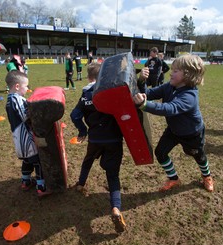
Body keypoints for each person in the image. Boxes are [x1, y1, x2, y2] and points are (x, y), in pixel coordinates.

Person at [133, 54, 214, 192]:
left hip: (192, 133)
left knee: (198, 156)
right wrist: (141, 80)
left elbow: (169, 109)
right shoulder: (169, 86)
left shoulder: (190, 96)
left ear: (188, 75)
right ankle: (174, 178)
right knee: (160, 153)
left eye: (176, 71)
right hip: (173, 130)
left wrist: (144, 105)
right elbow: (148, 93)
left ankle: (207, 176)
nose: (171, 72)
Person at [70, 62, 127, 233]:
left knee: (88, 160)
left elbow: (74, 115)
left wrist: (82, 130)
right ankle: (116, 209)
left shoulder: (86, 94)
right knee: (113, 176)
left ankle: (80, 184)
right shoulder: (113, 90)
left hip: (95, 139)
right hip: (114, 140)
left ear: (89, 77)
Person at [5, 70, 51, 198]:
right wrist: (38, 111)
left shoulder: (10, 100)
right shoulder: (16, 99)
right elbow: (26, 116)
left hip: (19, 138)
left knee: (27, 161)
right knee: (38, 162)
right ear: (17, 86)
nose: (27, 89)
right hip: (26, 138)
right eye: (26, 86)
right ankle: (41, 187)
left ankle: (25, 181)